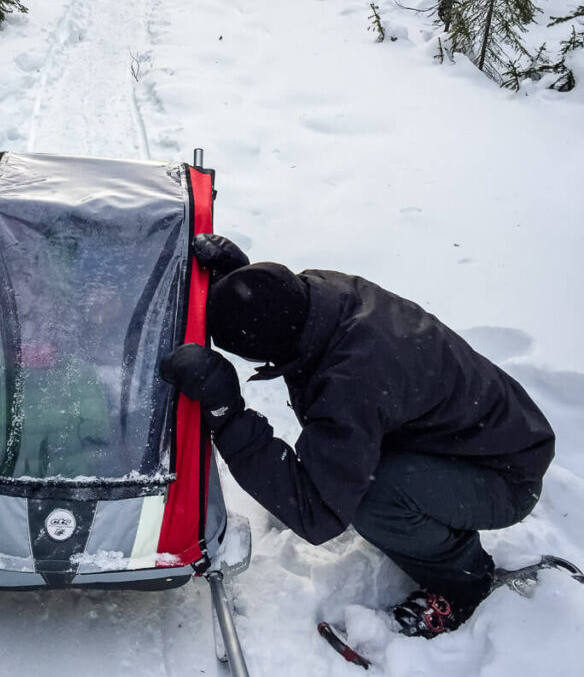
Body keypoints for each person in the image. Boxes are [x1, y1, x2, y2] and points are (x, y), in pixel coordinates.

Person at [160, 234, 555, 638]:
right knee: (359, 476)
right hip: (490, 434)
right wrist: (241, 283)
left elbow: (316, 513)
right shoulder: (323, 295)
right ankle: (430, 508)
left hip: (503, 475)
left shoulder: (353, 383)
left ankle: (464, 581)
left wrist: (226, 411)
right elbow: (282, 315)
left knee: (372, 498)